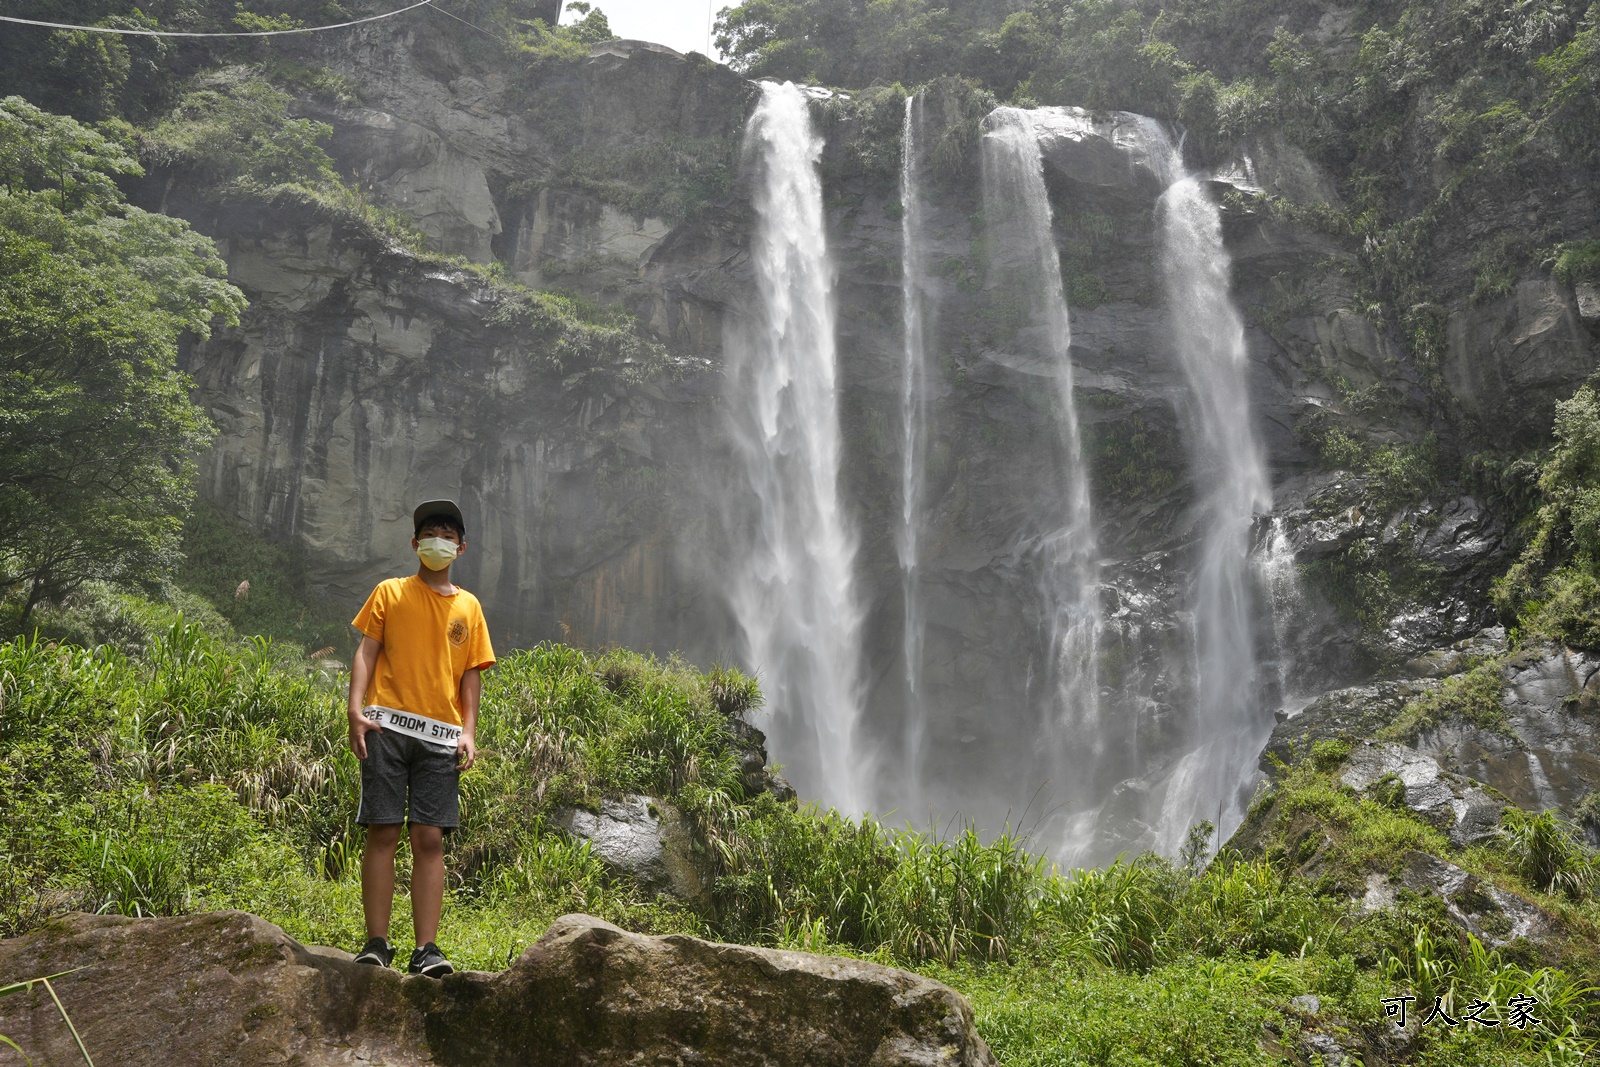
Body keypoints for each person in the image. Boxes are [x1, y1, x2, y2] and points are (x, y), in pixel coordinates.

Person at [346, 499, 495, 977]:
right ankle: (376, 943)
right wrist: (355, 710)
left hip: (441, 736)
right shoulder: (389, 592)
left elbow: (472, 675)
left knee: (429, 837)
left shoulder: (469, 606)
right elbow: (366, 653)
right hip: (386, 726)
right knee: (384, 830)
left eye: (448, 534)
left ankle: (426, 950)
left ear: (461, 547)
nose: (440, 539)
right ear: (415, 543)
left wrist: (469, 733)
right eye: (431, 532)